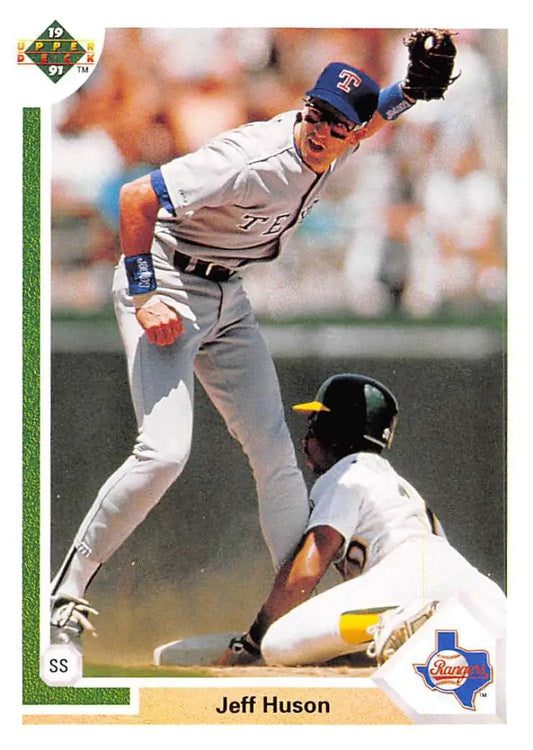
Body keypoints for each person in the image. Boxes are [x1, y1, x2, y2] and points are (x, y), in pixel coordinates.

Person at [50, 42, 450, 647]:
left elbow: (373, 117)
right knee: (163, 453)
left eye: (338, 124)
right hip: (166, 278)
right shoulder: (252, 156)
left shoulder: (340, 143)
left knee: (276, 458)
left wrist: (411, 92)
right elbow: (138, 197)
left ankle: (297, 629)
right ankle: (63, 595)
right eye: (316, 113)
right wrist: (142, 293)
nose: (321, 130)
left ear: (352, 135)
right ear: (305, 107)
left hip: (227, 296)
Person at [218, 374, 506, 667]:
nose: (307, 439)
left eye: (313, 424)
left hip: (407, 578)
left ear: (335, 430)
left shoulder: (345, 474)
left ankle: (404, 622)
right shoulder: (399, 485)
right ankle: (419, 625)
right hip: (472, 586)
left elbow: (303, 576)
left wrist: (251, 643)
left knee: (278, 644)